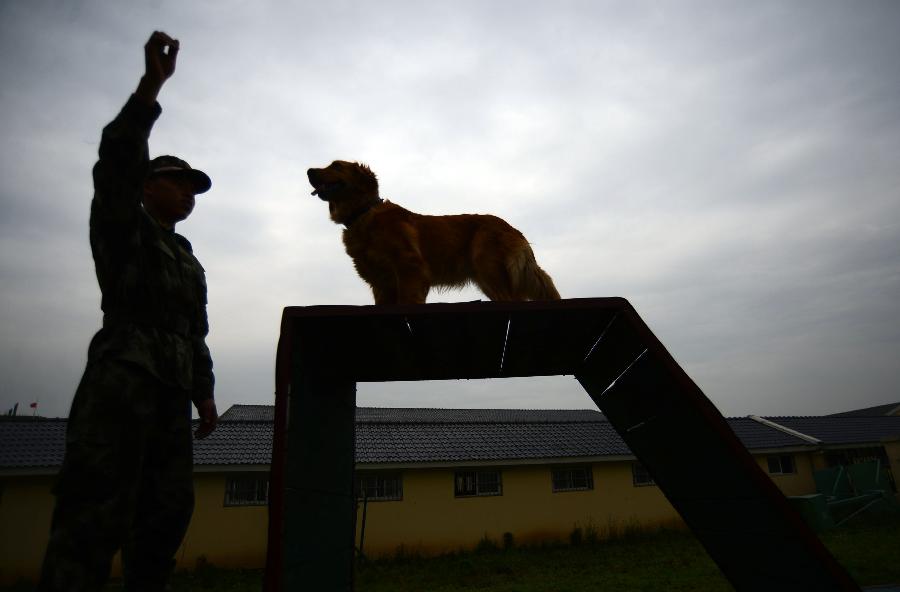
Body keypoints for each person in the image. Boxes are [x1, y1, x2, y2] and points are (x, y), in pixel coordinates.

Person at [39, 31, 218, 592]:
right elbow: (114, 163)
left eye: (194, 188)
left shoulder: (186, 257)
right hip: (122, 384)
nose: (188, 193)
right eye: (177, 183)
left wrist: (204, 393)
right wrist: (150, 88)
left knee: (166, 515)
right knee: (93, 513)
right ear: (146, 186)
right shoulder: (123, 228)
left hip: (171, 397)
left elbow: (195, 334)